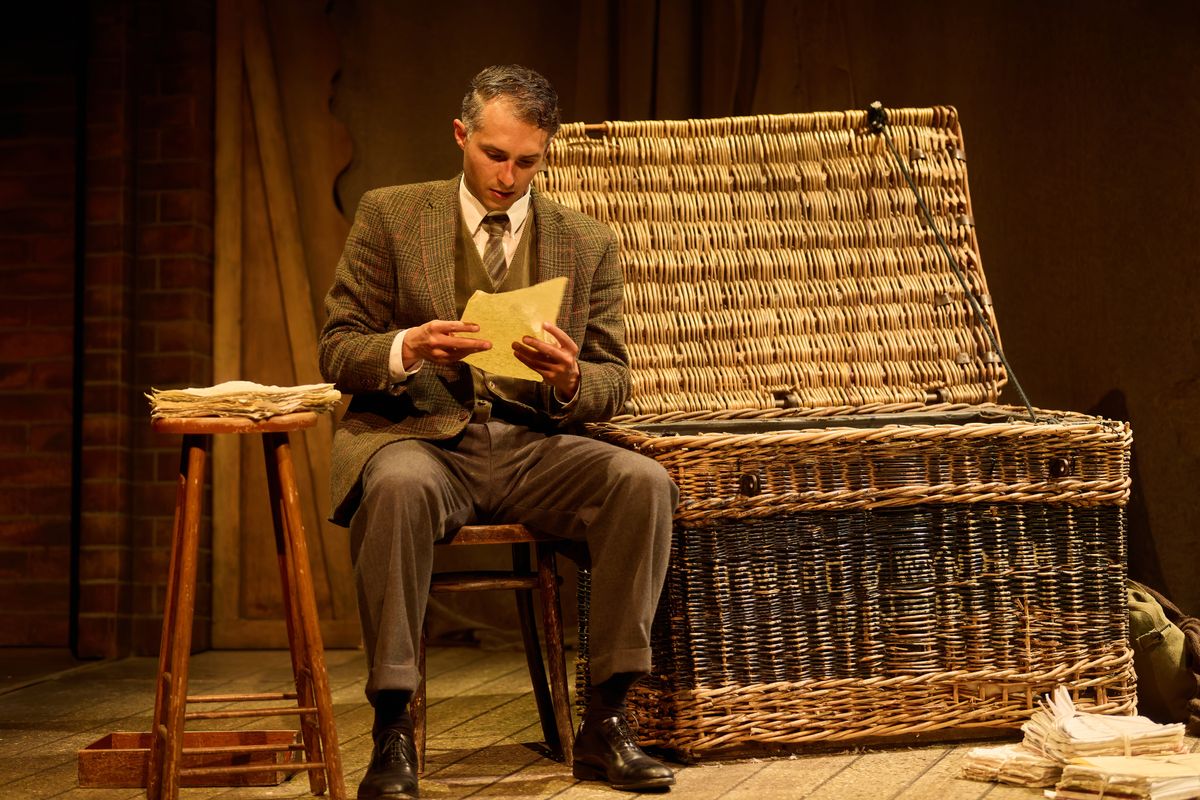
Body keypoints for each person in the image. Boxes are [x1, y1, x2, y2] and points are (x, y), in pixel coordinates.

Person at [319, 64, 679, 799]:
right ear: (461, 135)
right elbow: (338, 348)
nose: (508, 177)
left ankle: (607, 719)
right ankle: (393, 727)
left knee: (642, 483)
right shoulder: (391, 215)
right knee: (395, 488)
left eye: (527, 162)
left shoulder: (585, 241)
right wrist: (409, 347)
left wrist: (570, 377)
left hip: (532, 446)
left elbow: (614, 379)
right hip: (423, 440)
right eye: (494, 155)